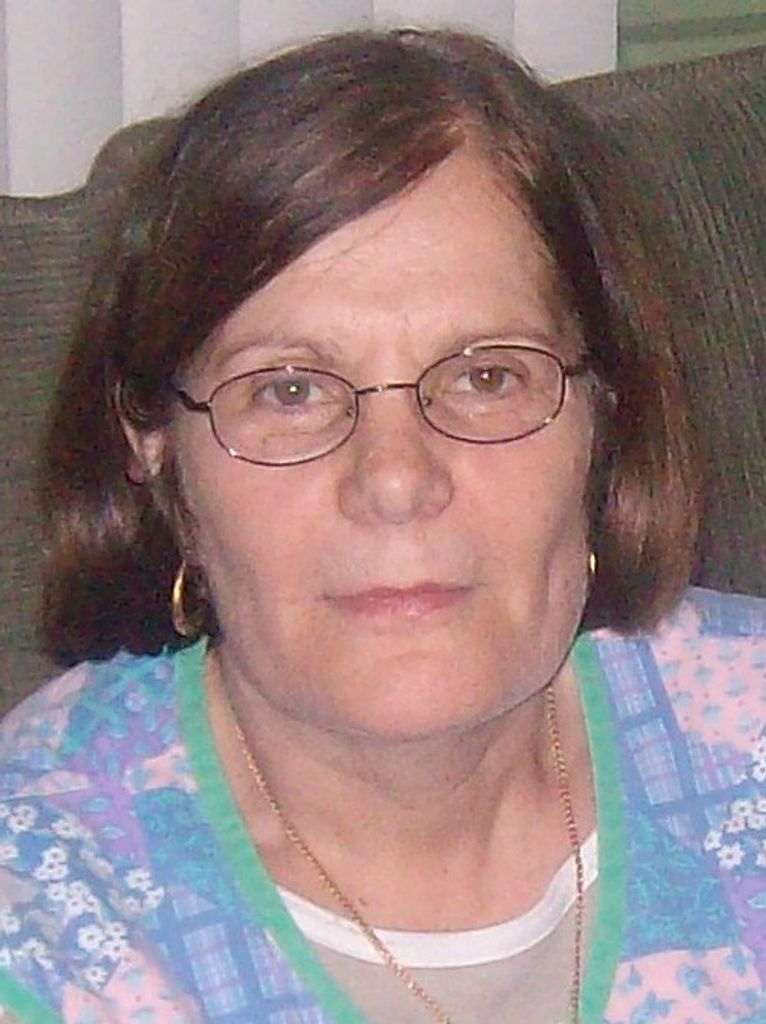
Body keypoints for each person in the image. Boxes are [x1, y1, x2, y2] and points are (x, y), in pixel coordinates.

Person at [0, 26, 763, 1024]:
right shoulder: (43, 911)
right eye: (288, 390)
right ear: (154, 447)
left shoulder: (745, 733)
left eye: (487, 376)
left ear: (602, 414)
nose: (397, 480)